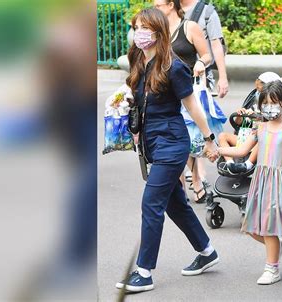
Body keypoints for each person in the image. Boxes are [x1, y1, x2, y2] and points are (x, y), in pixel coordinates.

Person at [115, 8, 219, 293]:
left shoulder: (174, 66)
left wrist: (209, 138)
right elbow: (138, 95)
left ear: (158, 32)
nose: (139, 33)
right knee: (175, 204)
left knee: (151, 204)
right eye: (136, 27)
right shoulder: (138, 59)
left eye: (144, 28)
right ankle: (207, 250)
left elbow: (191, 105)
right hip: (151, 143)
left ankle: (144, 271)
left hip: (172, 144)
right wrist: (125, 100)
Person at [213, 81, 282, 285]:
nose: (269, 107)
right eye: (265, 103)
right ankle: (276, 247)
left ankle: (272, 268)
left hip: (279, 181)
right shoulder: (259, 129)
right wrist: (217, 150)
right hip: (261, 180)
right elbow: (241, 150)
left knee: (269, 227)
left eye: (274, 102)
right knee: (253, 228)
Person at [154, 0, 214, 203]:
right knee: (175, 138)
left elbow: (207, 55)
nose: (156, 9)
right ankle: (180, 186)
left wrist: (200, 62)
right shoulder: (158, 31)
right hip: (164, 93)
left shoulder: (189, 27)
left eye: (158, 5)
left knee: (188, 136)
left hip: (188, 89)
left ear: (171, 5)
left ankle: (196, 178)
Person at [218, 72, 281, 174]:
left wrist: (257, 117)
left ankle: (248, 164)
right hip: (244, 137)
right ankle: (229, 163)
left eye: (260, 89)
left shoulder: (272, 109)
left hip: (258, 140)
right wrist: (240, 115)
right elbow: (239, 124)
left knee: (261, 137)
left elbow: (270, 123)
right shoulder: (254, 103)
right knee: (222, 136)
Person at [180, 0, 229, 98]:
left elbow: (216, 45)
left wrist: (223, 77)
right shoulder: (169, 9)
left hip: (200, 76)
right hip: (174, 74)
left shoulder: (207, 12)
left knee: (199, 110)